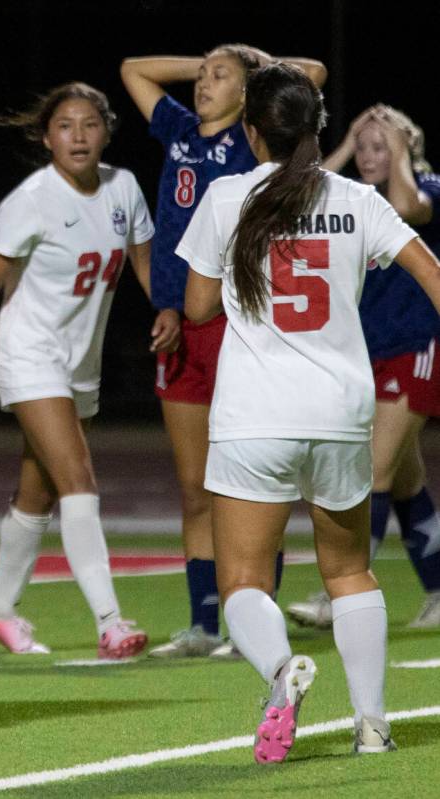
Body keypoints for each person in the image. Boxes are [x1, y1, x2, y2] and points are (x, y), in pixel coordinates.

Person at [180, 62, 440, 761]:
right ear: (317, 128)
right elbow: (431, 272)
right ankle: (373, 723)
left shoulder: (227, 196)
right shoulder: (357, 198)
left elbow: (199, 305)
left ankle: (280, 670)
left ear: (252, 132)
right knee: (350, 570)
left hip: (255, 411)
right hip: (341, 408)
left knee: (240, 579)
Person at [120, 46, 327, 658]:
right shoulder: (180, 128)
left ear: (249, 98)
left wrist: (251, 65)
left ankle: (253, 625)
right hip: (182, 320)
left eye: (218, 79)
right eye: (201, 77)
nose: (203, 84)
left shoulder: (248, 138)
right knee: (195, 487)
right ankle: (204, 624)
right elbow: (134, 69)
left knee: (253, 480)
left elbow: (311, 75)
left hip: (236, 319)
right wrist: (211, 62)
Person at [0, 82, 160, 659]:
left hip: (79, 361)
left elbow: (145, 265)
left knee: (38, 492)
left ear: (106, 132)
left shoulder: (123, 187)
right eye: (65, 126)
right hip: (28, 353)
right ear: (47, 137)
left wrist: (171, 312)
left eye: (89, 124)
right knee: (79, 479)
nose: (78, 135)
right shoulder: (31, 199)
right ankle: (111, 622)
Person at [287, 105, 440, 630]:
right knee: (402, 482)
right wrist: (349, 143)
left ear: (404, 149)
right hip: (369, 352)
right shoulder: (349, 198)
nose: (371, 157)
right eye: (365, 148)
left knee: (371, 471)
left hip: (417, 346)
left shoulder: (427, 185)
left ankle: (340, 594)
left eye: (382, 147)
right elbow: (298, 193)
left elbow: (409, 206)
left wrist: (399, 152)